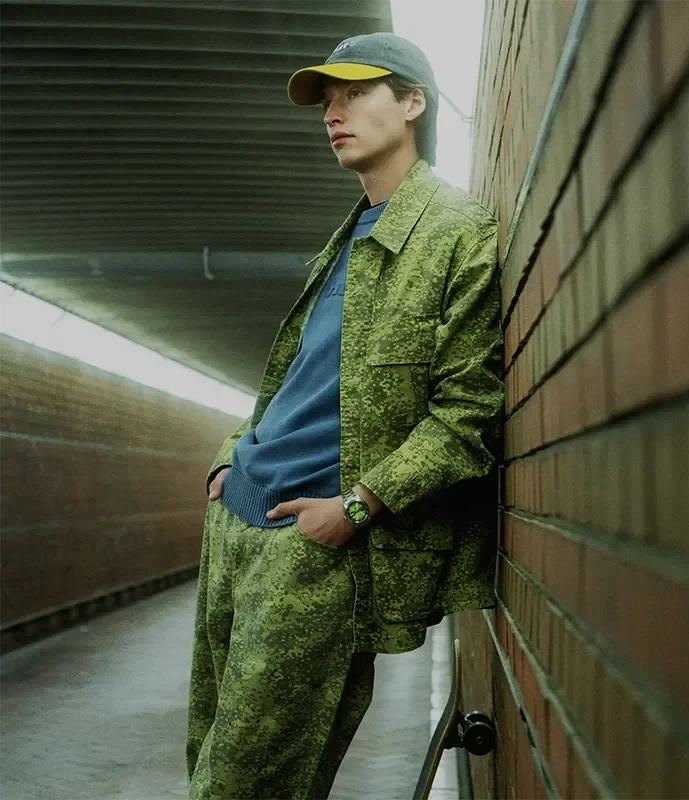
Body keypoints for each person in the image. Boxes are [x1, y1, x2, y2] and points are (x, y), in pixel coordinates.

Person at [186, 32, 504, 800]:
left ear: (413, 102)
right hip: (235, 523)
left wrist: (358, 507)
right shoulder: (347, 237)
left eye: (356, 94)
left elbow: (466, 414)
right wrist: (230, 458)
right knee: (205, 757)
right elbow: (296, 382)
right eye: (327, 101)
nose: (334, 113)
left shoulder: (455, 232)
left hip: (313, 548)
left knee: (247, 786)